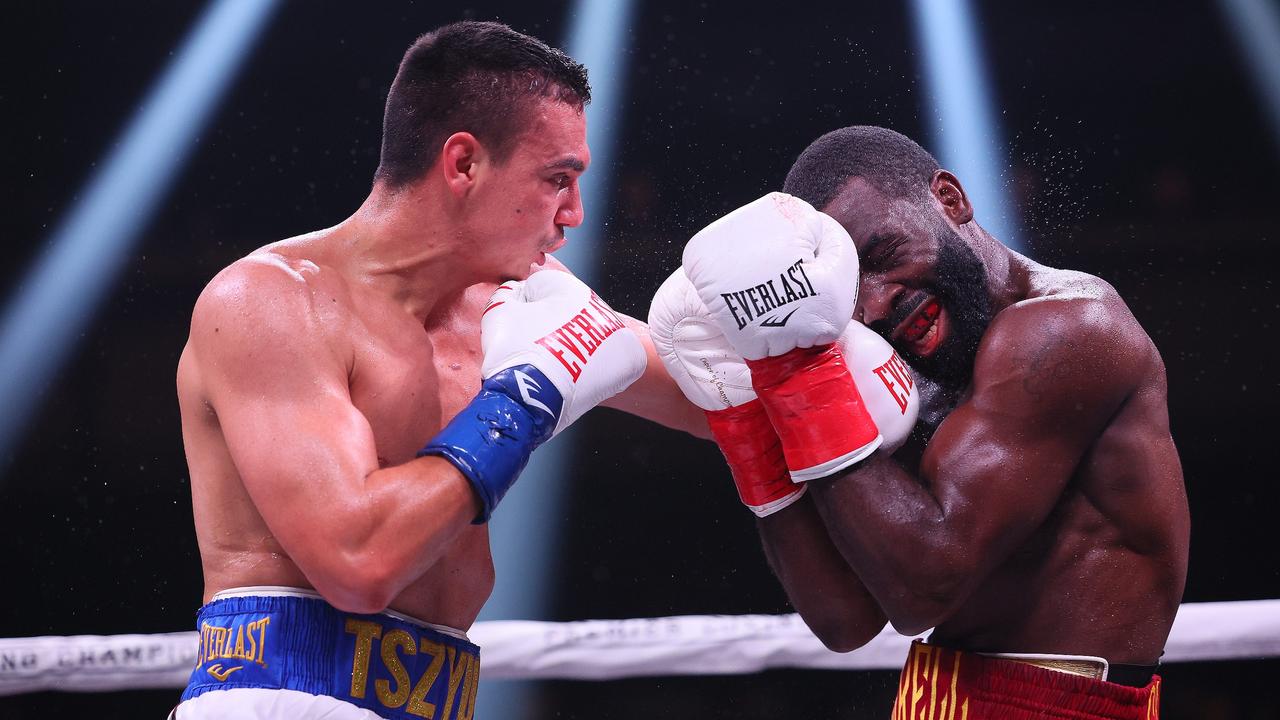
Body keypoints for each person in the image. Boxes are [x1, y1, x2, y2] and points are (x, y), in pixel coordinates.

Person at [173, 21, 703, 720]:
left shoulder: (518, 306)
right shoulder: (270, 302)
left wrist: (824, 337)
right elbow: (357, 562)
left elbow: (716, 402)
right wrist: (523, 401)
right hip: (280, 700)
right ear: (463, 164)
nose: (574, 213)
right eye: (557, 180)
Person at [650, 126, 1187, 719]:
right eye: (852, 293)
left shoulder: (1067, 330)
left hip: (1058, 704)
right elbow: (845, 618)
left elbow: (923, 589)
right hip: (935, 695)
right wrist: (747, 420)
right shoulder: (899, 360)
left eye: (882, 257)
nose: (876, 305)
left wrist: (796, 376)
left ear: (950, 199)